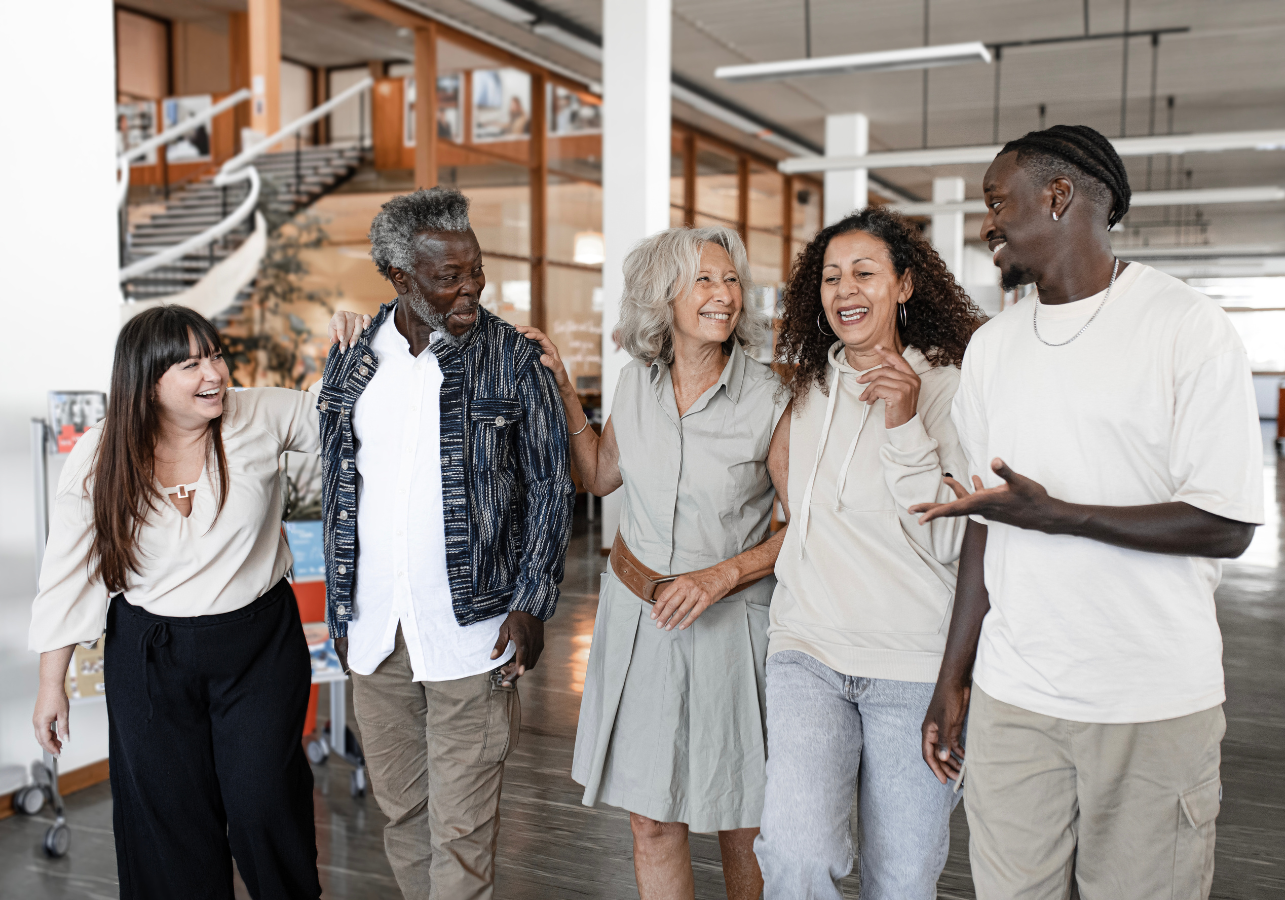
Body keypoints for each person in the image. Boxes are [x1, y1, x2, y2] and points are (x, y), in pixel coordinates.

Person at [913, 125, 1263, 900]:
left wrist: (1063, 515)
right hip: (1016, 695)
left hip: (1150, 701)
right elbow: (986, 516)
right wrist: (954, 677)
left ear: (1059, 196)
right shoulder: (994, 348)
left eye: (996, 202)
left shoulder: (1186, 328)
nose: (986, 225)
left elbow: (1227, 525)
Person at [517, 226, 790, 900]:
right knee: (651, 819)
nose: (724, 295)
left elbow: (806, 527)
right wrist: (561, 390)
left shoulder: (772, 396)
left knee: (743, 818)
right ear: (661, 295)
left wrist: (720, 575)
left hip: (734, 628)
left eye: (731, 281)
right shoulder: (635, 384)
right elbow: (600, 475)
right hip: (638, 624)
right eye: (705, 280)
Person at [320, 187, 574, 900]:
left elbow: (553, 484)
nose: (469, 289)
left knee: (461, 830)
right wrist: (344, 613)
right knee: (402, 814)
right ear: (400, 279)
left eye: (475, 271)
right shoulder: (352, 358)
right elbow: (338, 483)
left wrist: (534, 602)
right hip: (376, 635)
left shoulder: (512, 358)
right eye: (446, 277)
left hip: (476, 632)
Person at [30, 305, 322, 900]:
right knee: (168, 820)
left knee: (264, 800)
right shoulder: (101, 452)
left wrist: (360, 342)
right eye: (190, 363)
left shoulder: (259, 413)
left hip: (258, 644)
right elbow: (68, 572)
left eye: (214, 354)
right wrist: (51, 684)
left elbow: (351, 414)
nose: (213, 373)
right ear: (147, 380)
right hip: (149, 652)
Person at [755, 206, 985, 899]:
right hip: (807, 650)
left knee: (905, 879)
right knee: (797, 856)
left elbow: (950, 537)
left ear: (905, 286)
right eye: (830, 277)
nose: (844, 290)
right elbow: (797, 500)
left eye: (864, 272)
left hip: (912, 666)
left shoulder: (948, 389)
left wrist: (904, 422)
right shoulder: (808, 387)